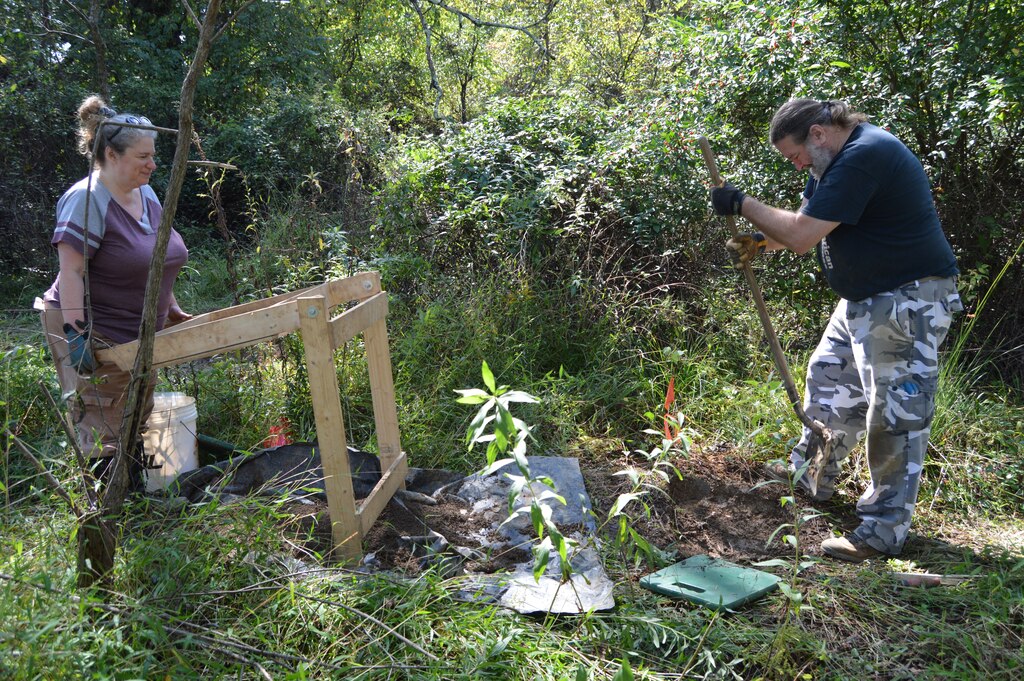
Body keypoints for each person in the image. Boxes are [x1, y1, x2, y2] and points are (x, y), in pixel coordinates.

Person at [710, 98, 963, 562]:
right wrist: (760, 241)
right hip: (865, 301)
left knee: (895, 415)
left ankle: (883, 531)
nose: (797, 163)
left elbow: (803, 234)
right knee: (828, 380)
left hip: (907, 301)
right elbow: (805, 235)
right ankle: (807, 478)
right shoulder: (830, 165)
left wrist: (742, 204)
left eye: (795, 154)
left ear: (819, 133)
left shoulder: (866, 154)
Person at [37, 95, 191, 488]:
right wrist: (76, 333)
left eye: (153, 155)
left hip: (139, 329)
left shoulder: (148, 194)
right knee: (104, 419)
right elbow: (71, 271)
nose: (153, 164)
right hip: (95, 327)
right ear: (111, 153)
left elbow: (158, 258)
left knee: (137, 410)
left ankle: (135, 503)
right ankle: (108, 519)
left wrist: (169, 305)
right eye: (143, 156)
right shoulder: (87, 199)